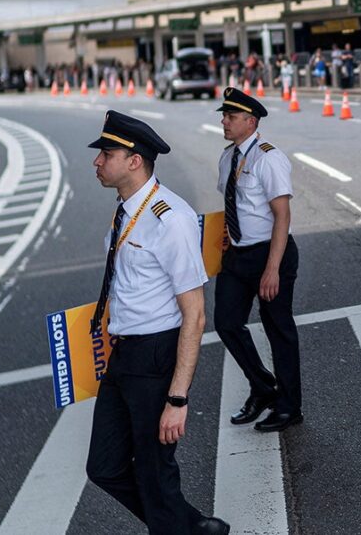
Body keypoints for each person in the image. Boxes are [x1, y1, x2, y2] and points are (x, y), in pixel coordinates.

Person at [85, 111, 229, 535]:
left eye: (106, 154)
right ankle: (191, 526)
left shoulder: (173, 220)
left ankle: (179, 527)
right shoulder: (125, 211)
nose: (97, 162)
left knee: (154, 472)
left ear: (134, 161)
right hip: (124, 353)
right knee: (105, 466)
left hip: (155, 355)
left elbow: (196, 313)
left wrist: (177, 399)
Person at [213, 87, 304, 433]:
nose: (224, 121)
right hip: (237, 255)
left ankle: (289, 406)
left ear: (250, 122)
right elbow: (230, 207)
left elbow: (282, 216)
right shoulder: (228, 157)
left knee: (278, 329)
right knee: (226, 322)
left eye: (231, 117)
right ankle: (264, 387)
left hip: (271, 252)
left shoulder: (269, 158)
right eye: (224, 116)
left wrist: (272, 269)